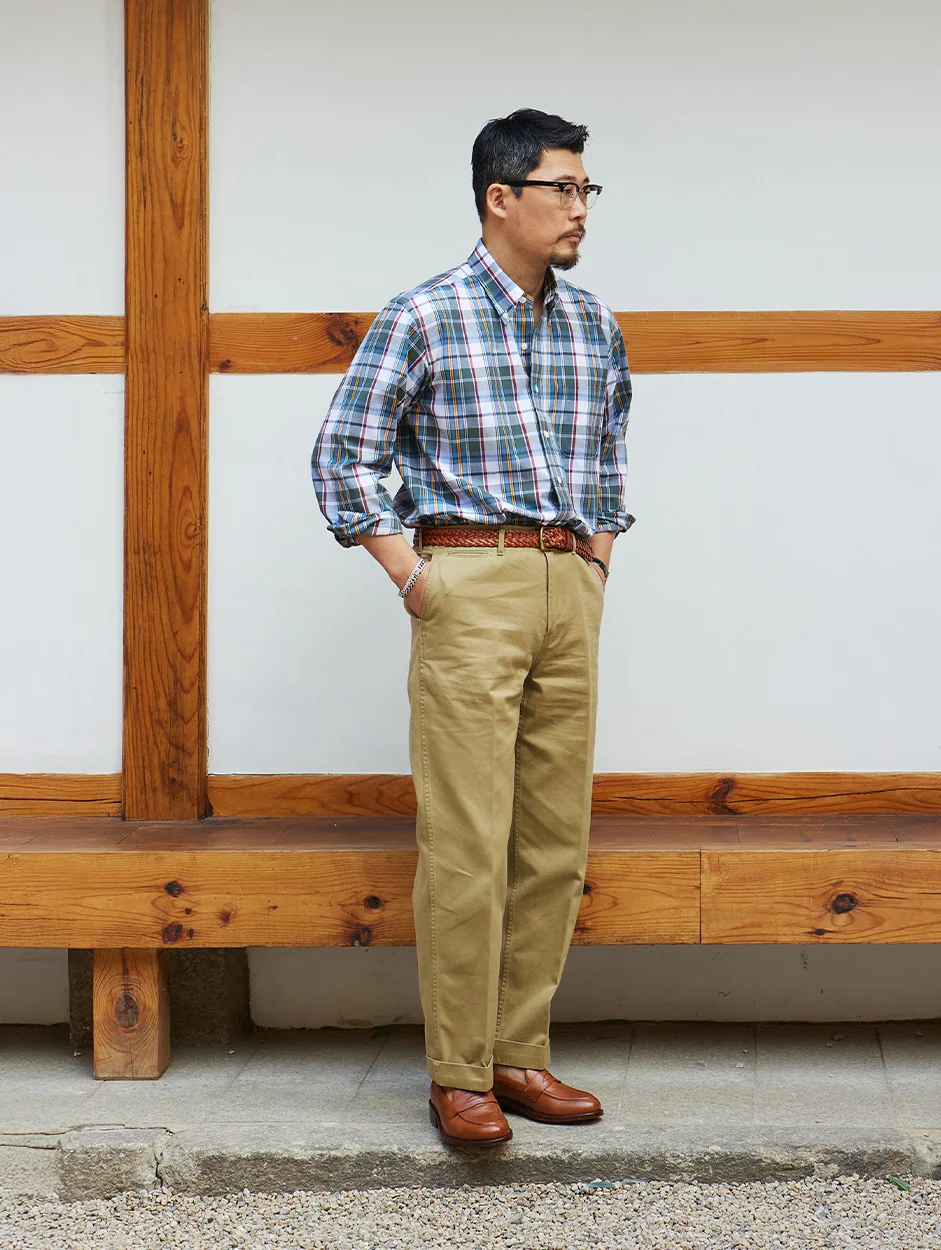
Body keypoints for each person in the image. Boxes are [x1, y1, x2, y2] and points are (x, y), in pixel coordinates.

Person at [311, 108, 635, 1146]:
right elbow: (344, 457)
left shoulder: (593, 323)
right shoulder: (426, 313)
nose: (580, 207)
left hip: (565, 586)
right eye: (562, 188)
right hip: (467, 581)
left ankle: (519, 1052)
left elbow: (611, 457)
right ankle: (457, 1071)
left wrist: (594, 562)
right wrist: (416, 578)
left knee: (552, 840)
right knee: (465, 840)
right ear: (501, 198)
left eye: (588, 189)